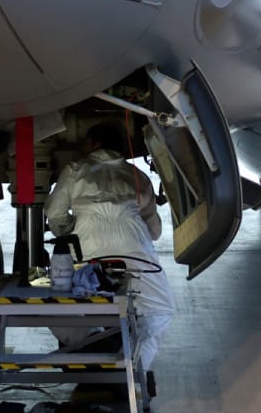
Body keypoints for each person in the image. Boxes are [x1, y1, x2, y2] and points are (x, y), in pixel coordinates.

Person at [45, 122, 175, 376]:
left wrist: (68, 231)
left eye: (85, 142)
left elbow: (54, 213)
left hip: (86, 248)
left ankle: (90, 343)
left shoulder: (74, 169)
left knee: (56, 301)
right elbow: (154, 231)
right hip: (134, 246)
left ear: (96, 144)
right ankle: (136, 368)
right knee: (160, 308)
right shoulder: (137, 175)